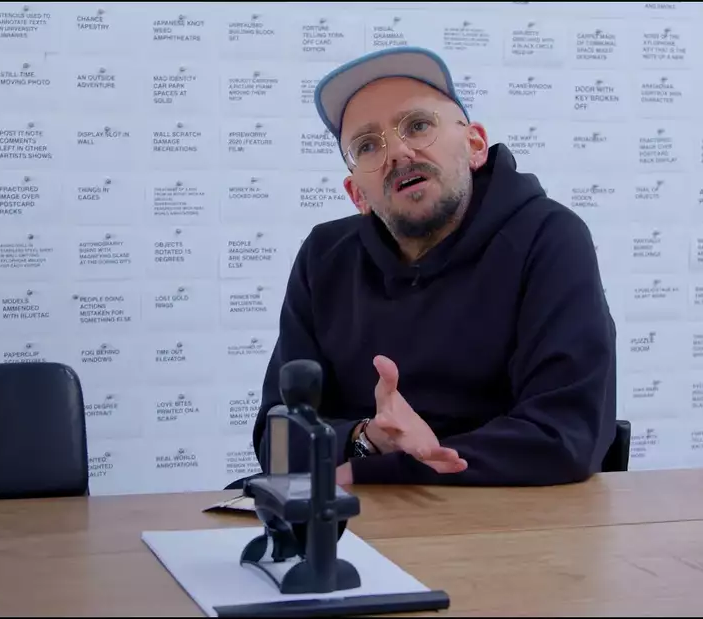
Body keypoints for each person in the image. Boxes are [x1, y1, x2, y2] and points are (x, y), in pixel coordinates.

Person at [251, 46, 617, 487]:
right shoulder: (324, 256)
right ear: (357, 194)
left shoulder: (550, 237)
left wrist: (396, 464)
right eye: (367, 145)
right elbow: (276, 437)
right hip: (360, 516)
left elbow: (567, 434)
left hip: (509, 522)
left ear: (475, 144)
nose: (398, 153)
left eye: (418, 125)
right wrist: (369, 438)